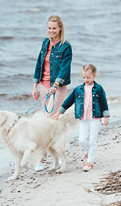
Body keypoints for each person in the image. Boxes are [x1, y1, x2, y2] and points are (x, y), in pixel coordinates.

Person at [32, 15, 72, 171]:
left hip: (57, 87)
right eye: (49, 28)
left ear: (60, 28)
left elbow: (64, 67)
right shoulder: (45, 43)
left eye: (54, 28)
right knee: (51, 122)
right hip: (43, 85)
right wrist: (35, 85)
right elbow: (38, 63)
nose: (51, 31)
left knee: (49, 120)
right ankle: (56, 155)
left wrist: (56, 84)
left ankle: (41, 159)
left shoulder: (65, 47)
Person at [52, 64, 110, 171]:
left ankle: (90, 162)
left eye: (88, 77)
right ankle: (89, 153)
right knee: (82, 140)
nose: (86, 80)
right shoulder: (78, 89)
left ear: (94, 76)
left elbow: (103, 103)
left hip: (95, 118)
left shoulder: (99, 88)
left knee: (92, 140)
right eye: (84, 77)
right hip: (83, 118)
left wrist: (106, 116)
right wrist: (58, 112)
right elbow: (68, 101)